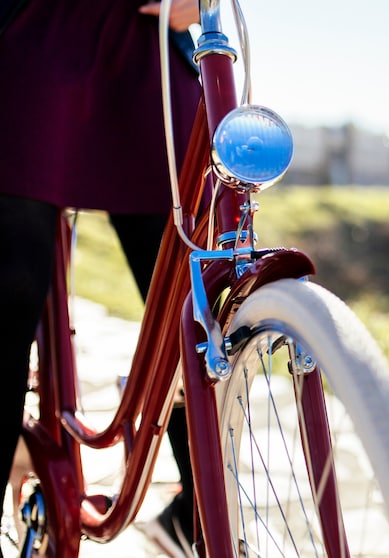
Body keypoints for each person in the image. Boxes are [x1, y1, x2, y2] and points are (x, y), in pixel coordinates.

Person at [0, 1, 201, 556]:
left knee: (199, 301)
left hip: (151, 41)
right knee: (11, 285)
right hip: (30, 27)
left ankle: (198, 516)